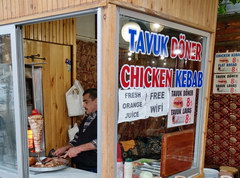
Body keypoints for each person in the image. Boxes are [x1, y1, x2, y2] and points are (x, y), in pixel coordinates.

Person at [54, 88, 97, 172]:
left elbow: (102, 141)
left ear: (97, 101)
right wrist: (66, 147)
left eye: (86, 102)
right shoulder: (88, 117)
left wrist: (78, 149)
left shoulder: (105, 118)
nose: (84, 105)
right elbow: (78, 137)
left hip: (95, 168)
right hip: (81, 166)